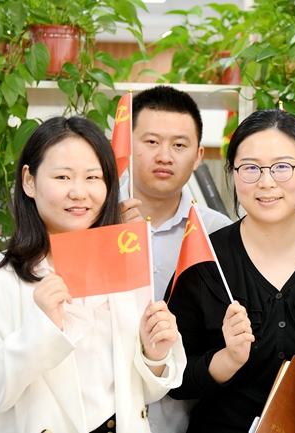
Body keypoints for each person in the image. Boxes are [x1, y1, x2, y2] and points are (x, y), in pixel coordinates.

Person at [0, 116, 186, 433]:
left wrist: (155, 355)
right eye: (63, 176)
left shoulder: (123, 270)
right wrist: (39, 331)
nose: (79, 192)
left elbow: (141, 394)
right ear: (29, 181)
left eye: (93, 177)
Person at [165, 109, 295, 433]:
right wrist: (227, 360)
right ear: (233, 173)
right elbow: (173, 378)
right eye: (250, 168)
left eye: (282, 167)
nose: (266, 182)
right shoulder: (205, 259)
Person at [119, 86, 232, 433]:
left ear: (198, 156)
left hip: (183, 420)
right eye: (151, 142)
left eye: (179, 145)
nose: (165, 156)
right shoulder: (92, 221)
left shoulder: (217, 234)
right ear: (127, 146)